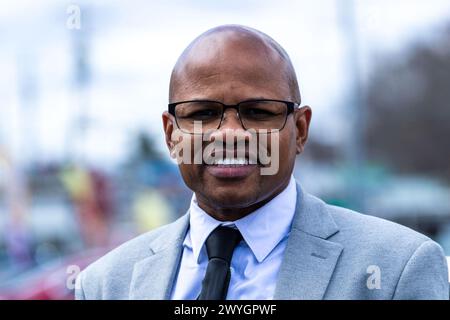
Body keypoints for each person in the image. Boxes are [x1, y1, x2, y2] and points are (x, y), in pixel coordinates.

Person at [75, 25, 449, 300]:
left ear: (300, 129)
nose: (230, 133)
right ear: (171, 134)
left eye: (257, 112)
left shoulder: (399, 268)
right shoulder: (105, 285)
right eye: (203, 113)